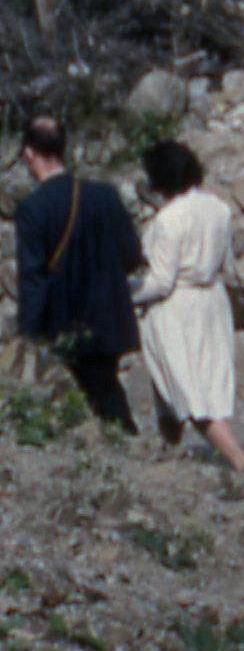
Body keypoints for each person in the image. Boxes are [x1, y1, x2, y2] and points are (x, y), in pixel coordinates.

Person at [14, 112, 143, 434]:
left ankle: (127, 450)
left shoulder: (33, 208)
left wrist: (28, 333)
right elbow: (131, 254)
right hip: (109, 314)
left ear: (29, 154)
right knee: (105, 390)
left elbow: (33, 277)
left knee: (97, 400)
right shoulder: (105, 194)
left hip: (66, 321)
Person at [134, 141, 244, 473]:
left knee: (190, 392)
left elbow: (161, 281)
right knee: (185, 383)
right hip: (212, 301)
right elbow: (227, 262)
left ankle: (239, 460)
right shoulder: (219, 209)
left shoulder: (167, 220)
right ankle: (167, 452)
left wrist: (125, 293)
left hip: (178, 309)